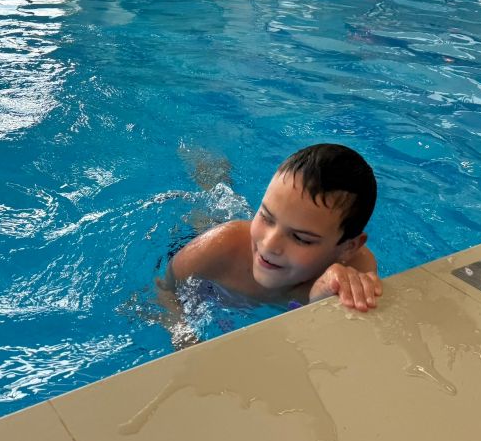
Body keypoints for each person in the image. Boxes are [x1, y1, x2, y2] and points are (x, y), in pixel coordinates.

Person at [160, 143, 381, 340]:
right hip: (217, 248)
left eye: (300, 238)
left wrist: (319, 300)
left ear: (348, 247)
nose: (269, 244)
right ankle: (213, 176)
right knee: (210, 219)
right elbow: (165, 291)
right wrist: (185, 339)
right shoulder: (217, 248)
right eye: (265, 216)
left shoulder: (354, 271)